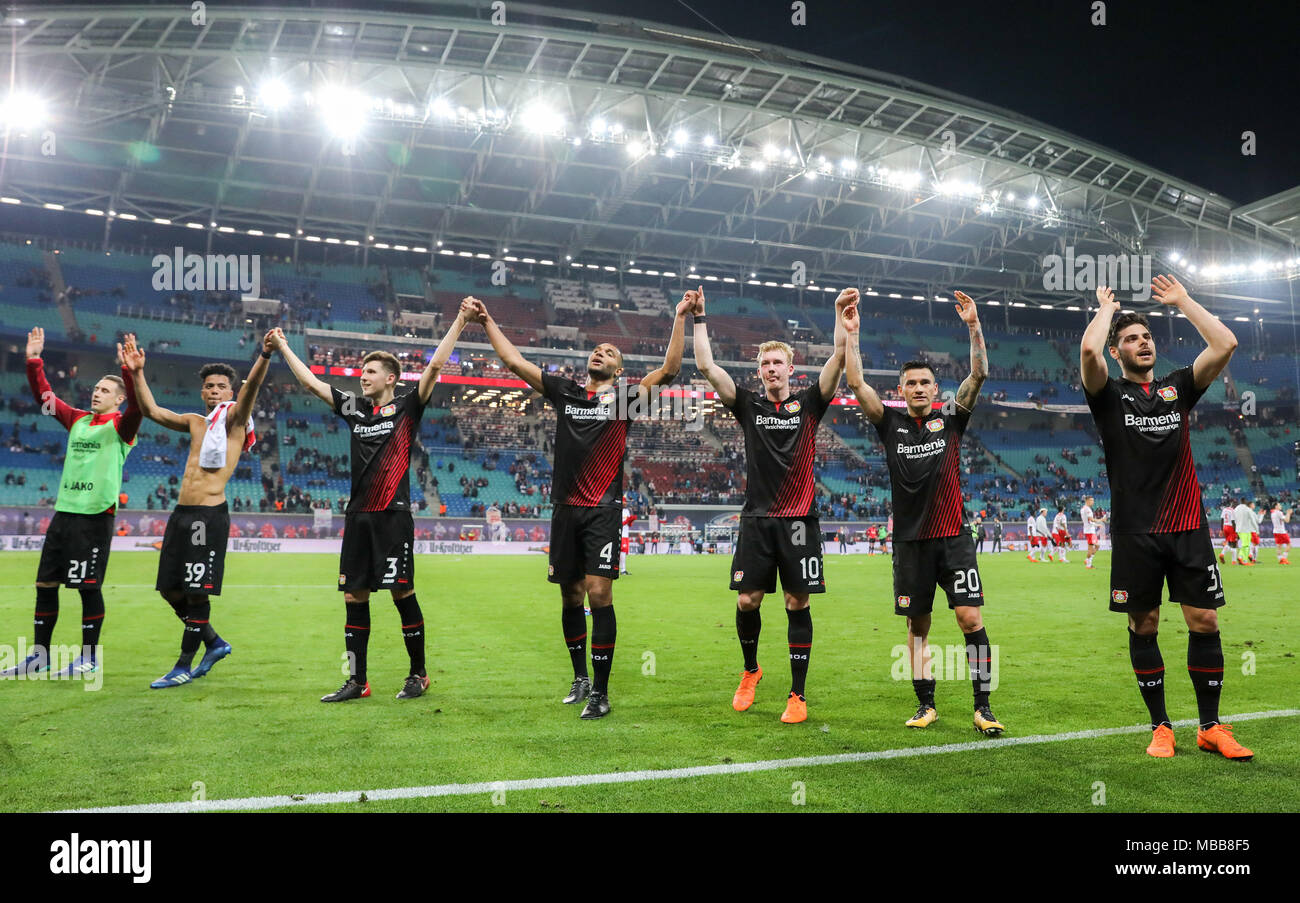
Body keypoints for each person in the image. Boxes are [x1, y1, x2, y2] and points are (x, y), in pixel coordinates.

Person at [465, 293, 689, 719]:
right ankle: (579, 678)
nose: (599, 352)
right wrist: (487, 320)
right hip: (565, 509)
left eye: (608, 351)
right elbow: (516, 363)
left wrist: (679, 316)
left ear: (619, 370)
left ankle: (601, 693)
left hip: (603, 509)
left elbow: (671, 370)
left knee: (599, 593)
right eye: (596, 350)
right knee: (570, 597)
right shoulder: (566, 393)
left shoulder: (626, 399)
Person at [1080, 278, 1250, 760]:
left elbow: (1226, 343)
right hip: (1136, 533)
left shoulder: (1178, 389)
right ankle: (1161, 727)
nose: (1143, 342)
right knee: (1146, 624)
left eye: (1147, 335)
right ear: (1118, 352)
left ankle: (1211, 727)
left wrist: (1182, 301)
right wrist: (1106, 312)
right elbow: (1089, 353)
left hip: (1188, 526)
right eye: (1132, 339)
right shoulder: (1108, 396)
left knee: (1204, 620)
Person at [273, 311, 469, 703]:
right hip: (358, 516)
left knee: (402, 593)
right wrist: (282, 346)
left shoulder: (408, 406)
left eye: (371, 371)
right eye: (363, 371)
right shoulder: (356, 411)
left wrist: (461, 321)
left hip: (392, 516)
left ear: (391, 378)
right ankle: (357, 681)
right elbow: (310, 383)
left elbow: (434, 366)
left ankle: (418, 674)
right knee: (353, 598)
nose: (363, 376)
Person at [847, 290, 1004, 736]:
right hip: (910, 543)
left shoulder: (952, 417)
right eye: (911, 384)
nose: (918, 388)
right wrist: (852, 334)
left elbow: (979, 372)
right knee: (918, 626)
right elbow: (857, 384)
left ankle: (984, 706)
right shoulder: (889, 423)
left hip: (953, 537)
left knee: (970, 619)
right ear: (901, 390)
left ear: (936, 389)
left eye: (925, 383)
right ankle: (926, 703)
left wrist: (973, 325)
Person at [694, 286, 851, 724]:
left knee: (796, 603)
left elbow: (838, 360)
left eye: (776, 362)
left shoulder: (809, 404)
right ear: (759, 371)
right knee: (747, 601)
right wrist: (700, 317)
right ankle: (751, 670)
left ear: (790, 367)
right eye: (763, 364)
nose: (769, 369)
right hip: (758, 520)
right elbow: (707, 365)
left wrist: (839, 315)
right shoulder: (749, 404)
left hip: (800, 520)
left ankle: (797, 695)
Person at [121, 332, 272, 688]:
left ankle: (183, 666)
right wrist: (137, 373)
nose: (215, 390)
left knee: (195, 590)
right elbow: (150, 411)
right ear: (202, 392)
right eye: (209, 386)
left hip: (208, 516)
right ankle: (214, 643)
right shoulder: (194, 421)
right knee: (169, 590)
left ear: (230, 392)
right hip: (181, 515)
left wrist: (264, 355)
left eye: (221, 386)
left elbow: (250, 392)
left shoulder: (234, 420)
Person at [0, 327, 140, 678]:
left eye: (105, 391)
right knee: (45, 584)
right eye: (96, 388)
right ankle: (39, 656)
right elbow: (45, 398)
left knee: (86, 587)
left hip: (95, 517)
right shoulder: (78, 420)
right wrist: (33, 361)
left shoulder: (122, 426)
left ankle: (89, 658)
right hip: (64, 514)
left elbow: (140, 405)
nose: (97, 393)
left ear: (118, 399)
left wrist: (129, 371)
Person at [1081, 496, 1100, 568]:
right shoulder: (1087, 509)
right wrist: (1100, 520)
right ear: (1087, 501)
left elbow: (1089, 521)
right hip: (1090, 531)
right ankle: (1088, 564)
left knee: (1097, 546)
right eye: (1092, 500)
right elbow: (1091, 519)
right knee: (1091, 548)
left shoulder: (1083, 509)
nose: (1093, 502)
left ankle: (1088, 560)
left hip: (1089, 530)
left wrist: (1096, 525)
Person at [1218, 500, 1237, 564]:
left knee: (1229, 543)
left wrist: (1221, 529)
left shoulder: (1224, 509)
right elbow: (1233, 522)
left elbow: (1222, 520)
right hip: (1230, 527)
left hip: (1225, 527)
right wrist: (1235, 531)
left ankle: (1222, 554)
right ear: (1232, 504)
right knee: (1234, 544)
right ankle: (1233, 561)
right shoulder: (1232, 510)